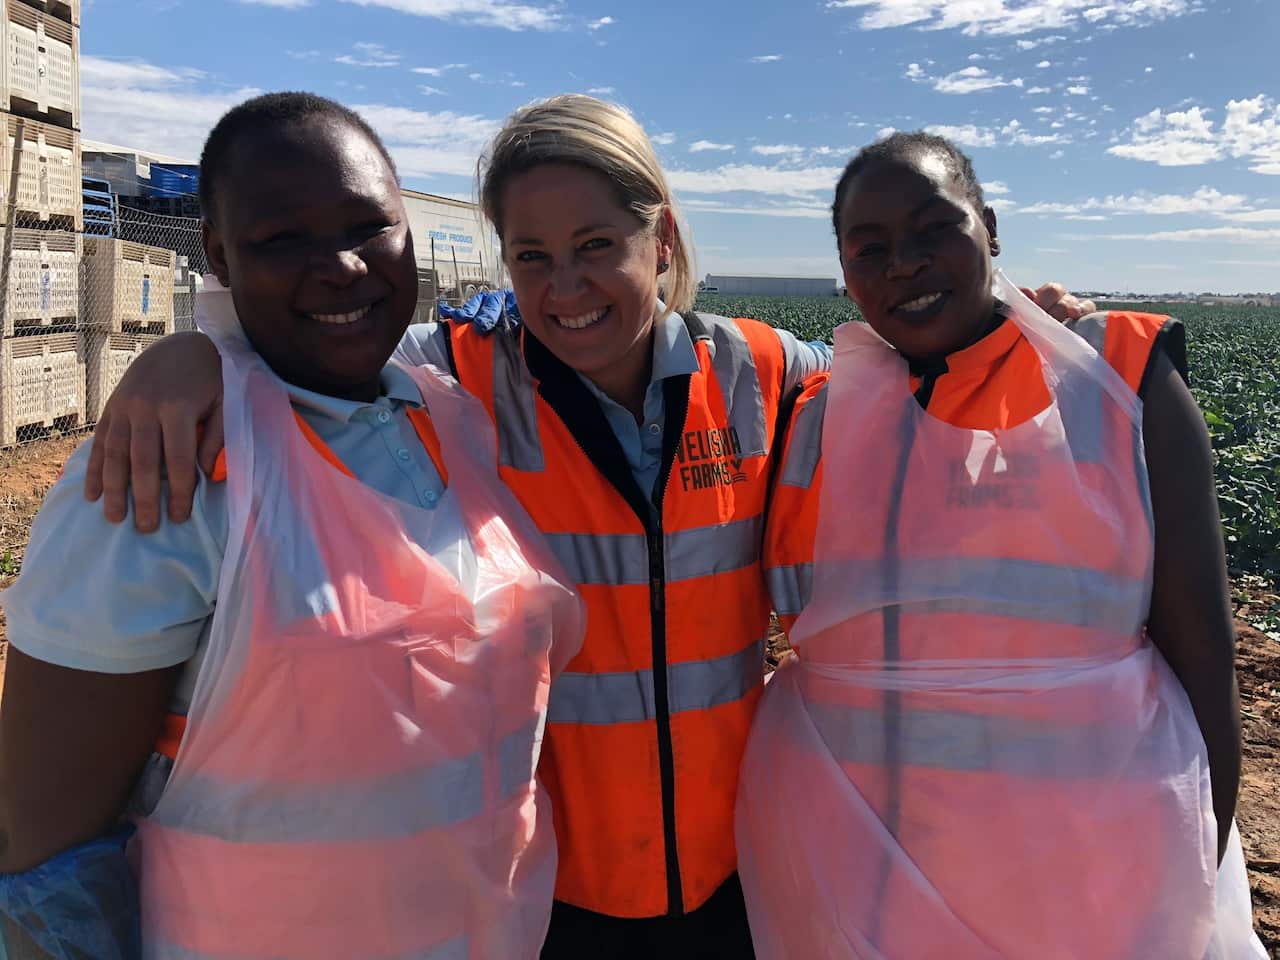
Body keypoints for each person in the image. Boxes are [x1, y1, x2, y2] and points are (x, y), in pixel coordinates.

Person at [75, 96, 1095, 958]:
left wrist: (1028, 326)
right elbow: (315, 349)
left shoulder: (765, 374)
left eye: (597, 247)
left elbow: (916, 382)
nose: (565, 288)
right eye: (532, 256)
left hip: (739, 868)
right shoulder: (459, 378)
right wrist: (196, 353)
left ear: (663, 239)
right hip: (546, 889)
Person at [0, 92, 583, 959]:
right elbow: (43, 849)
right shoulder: (167, 474)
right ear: (219, 257)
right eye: (282, 239)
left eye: (369, 226)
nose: (342, 266)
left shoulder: (452, 419)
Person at [739, 132, 1266, 958]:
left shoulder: (1114, 379)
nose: (905, 264)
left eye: (934, 229)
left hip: (1088, 874)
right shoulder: (816, 412)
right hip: (859, 863)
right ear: (844, 270)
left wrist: (1191, 874)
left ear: (989, 229)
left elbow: (1205, 656)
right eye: (869, 248)